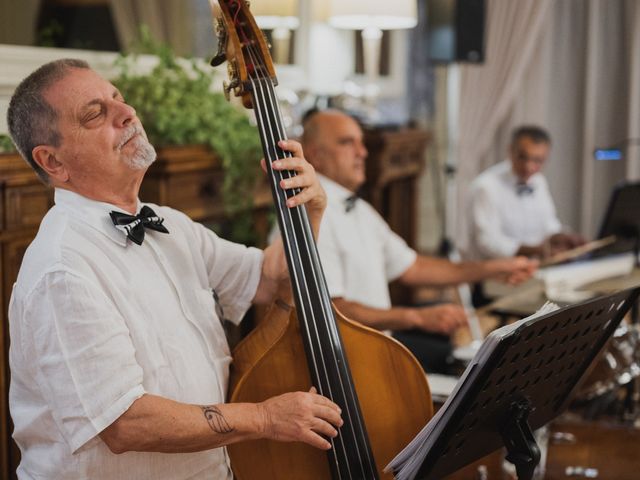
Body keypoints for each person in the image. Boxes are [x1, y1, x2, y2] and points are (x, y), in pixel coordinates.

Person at [6, 59, 343, 479]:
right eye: (96, 114)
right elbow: (126, 423)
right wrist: (263, 418)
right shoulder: (63, 269)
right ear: (53, 162)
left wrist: (309, 213)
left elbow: (268, 278)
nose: (126, 113)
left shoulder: (172, 226)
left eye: (118, 99)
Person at [299, 109, 537, 373]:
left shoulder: (360, 211)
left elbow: (414, 268)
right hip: (344, 367)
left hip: (377, 353)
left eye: (361, 143)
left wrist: (492, 269)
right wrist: (416, 317)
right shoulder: (310, 217)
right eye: (346, 143)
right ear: (314, 155)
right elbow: (331, 309)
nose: (362, 153)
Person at [463, 125, 585, 261]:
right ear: (510, 150)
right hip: (493, 273)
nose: (529, 166)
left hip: (532, 268)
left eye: (537, 160)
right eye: (523, 157)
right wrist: (536, 251)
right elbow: (487, 242)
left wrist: (562, 237)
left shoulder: (539, 181)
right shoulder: (485, 186)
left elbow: (548, 223)